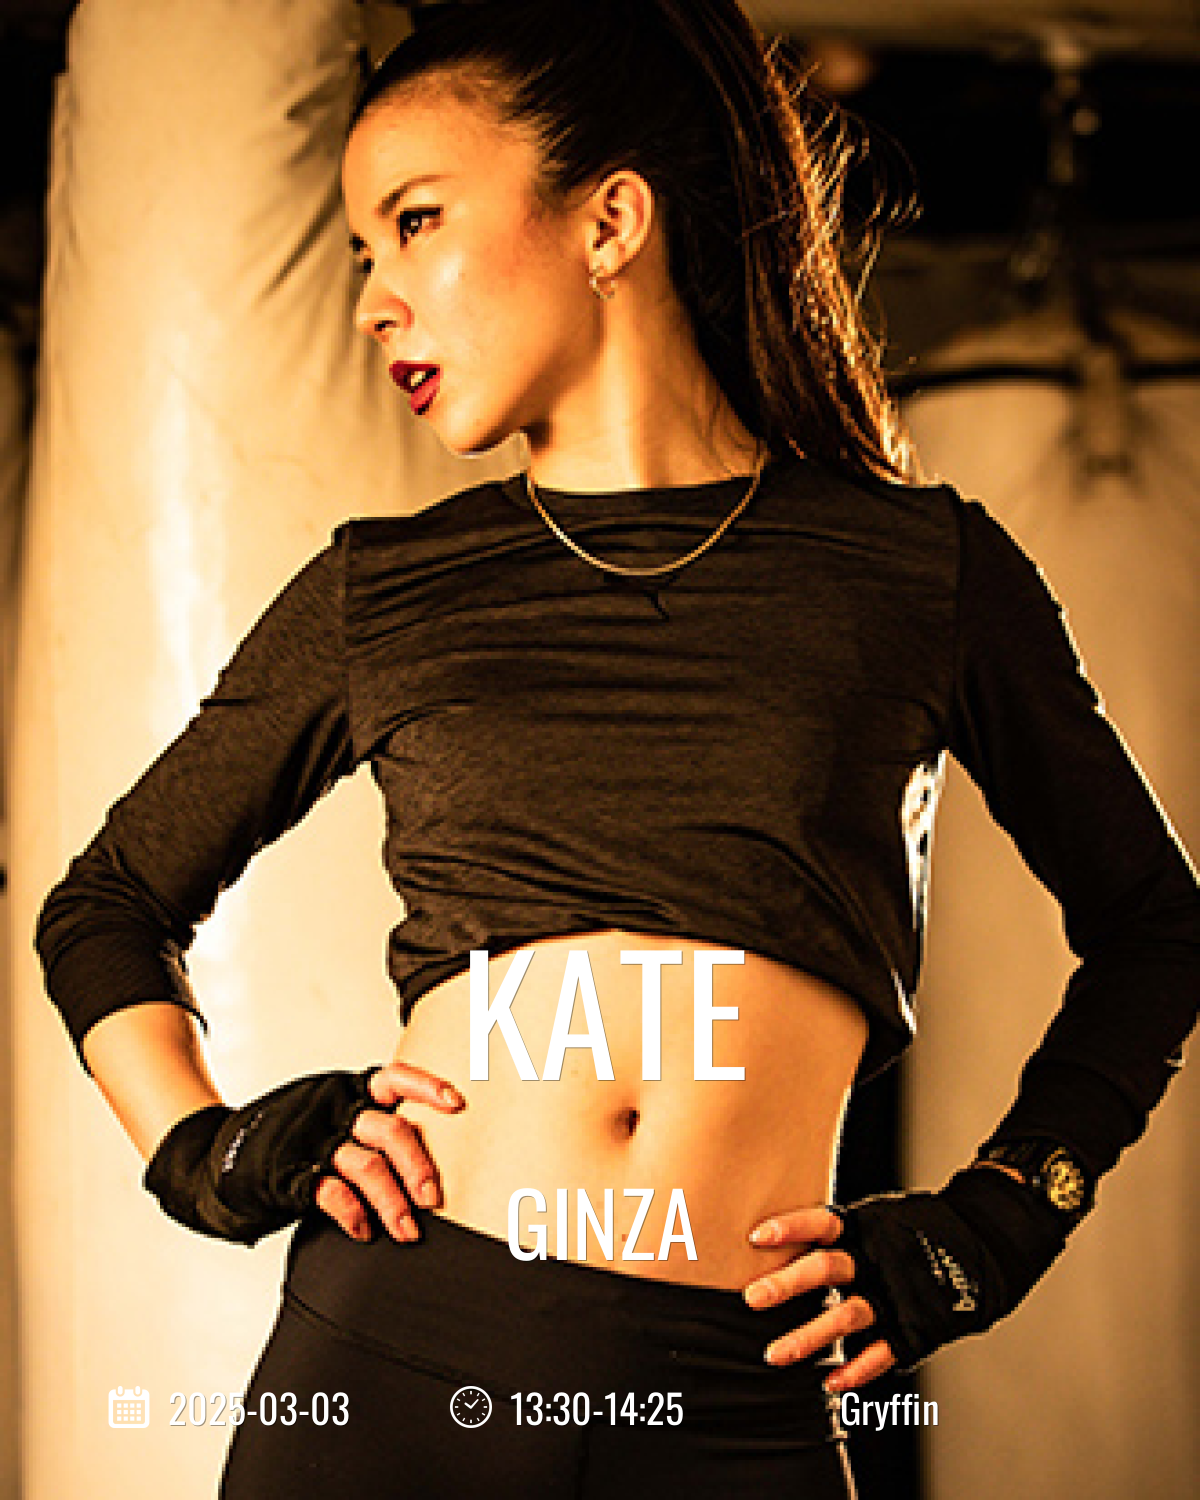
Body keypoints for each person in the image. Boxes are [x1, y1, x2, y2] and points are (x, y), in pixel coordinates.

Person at [34, 2, 1198, 1497]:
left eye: (415, 221)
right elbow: (104, 906)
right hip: (402, 1358)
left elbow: (1156, 927)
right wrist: (211, 1152)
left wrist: (1003, 1220)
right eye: (362, 253)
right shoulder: (385, 591)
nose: (376, 300)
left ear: (610, 221)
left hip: (738, 1399)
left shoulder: (922, 573)